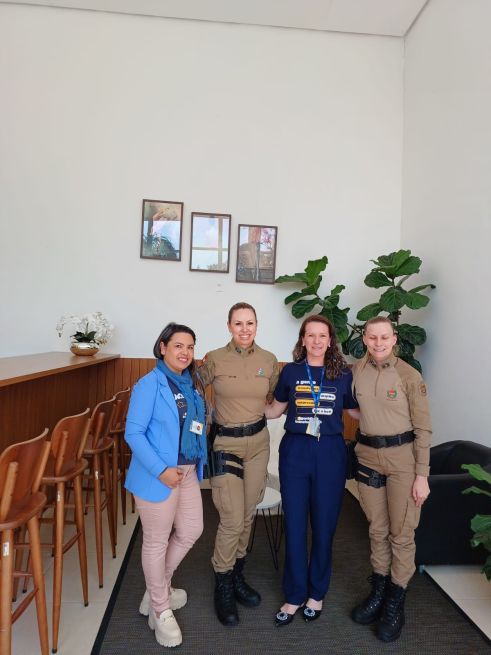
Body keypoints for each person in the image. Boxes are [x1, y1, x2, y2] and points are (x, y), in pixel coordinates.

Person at [265, 315, 359, 626]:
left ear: (330, 341)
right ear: (302, 340)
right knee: (294, 524)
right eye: (311, 335)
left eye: (322, 335)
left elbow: (355, 412)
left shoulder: (343, 374)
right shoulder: (291, 372)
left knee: (324, 525)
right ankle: (294, 595)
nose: (317, 341)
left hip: (330, 452)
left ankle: (316, 593)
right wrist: (235, 408)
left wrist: (391, 412)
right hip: (295, 451)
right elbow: (274, 410)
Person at [124, 323, 207, 648]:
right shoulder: (149, 385)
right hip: (158, 475)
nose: (185, 352)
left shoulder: (190, 383)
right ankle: (160, 608)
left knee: (192, 529)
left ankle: (157, 587)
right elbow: (133, 433)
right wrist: (161, 471)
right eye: (178, 346)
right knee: (156, 541)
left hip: (187, 472)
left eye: (190, 347)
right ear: (163, 348)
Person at [350, 316, 431, 643]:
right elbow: (356, 408)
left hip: (402, 462)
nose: (378, 343)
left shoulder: (410, 376)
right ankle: (379, 590)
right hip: (368, 456)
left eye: (384, 337)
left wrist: (422, 475)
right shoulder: (357, 370)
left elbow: (423, 428)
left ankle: (396, 600)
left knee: (401, 533)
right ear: (365, 339)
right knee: (377, 528)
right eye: (372, 337)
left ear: (394, 338)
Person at [199, 302, 279, 626]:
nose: (245, 329)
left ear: (256, 325)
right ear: (229, 326)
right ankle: (222, 583)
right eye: (238, 323)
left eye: (250, 323)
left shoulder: (269, 360)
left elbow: (276, 399)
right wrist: (203, 417)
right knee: (232, 519)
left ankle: (237, 575)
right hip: (225, 444)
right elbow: (191, 386)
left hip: (258, 445)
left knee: (247, 515)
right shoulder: (215, 359)